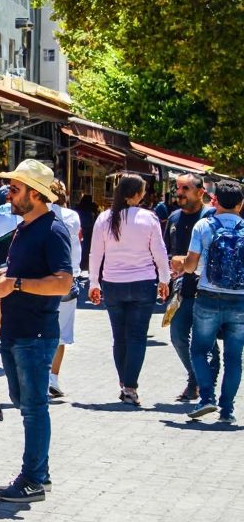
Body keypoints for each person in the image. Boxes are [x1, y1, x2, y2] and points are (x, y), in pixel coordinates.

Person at [0, 159, 74, 504]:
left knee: (34, 408)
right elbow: (22, 272)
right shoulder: (24, 228)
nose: (8, 195)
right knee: (25, 403)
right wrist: (1, 278)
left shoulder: (52, 230)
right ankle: (40, 474)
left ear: (35, 194)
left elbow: (63, 283)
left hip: (35, 332)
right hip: (17, 330)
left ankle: (33, 478)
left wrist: (13, 284)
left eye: (16, 189)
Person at [87, 173, 170, 407]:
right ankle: (130, 387)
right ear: (136, 194)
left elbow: (95, 254)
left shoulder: (105, 218)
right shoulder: (148, 218)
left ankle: (124, 384)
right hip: (143, 283)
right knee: (136, 338)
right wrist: (164, 279)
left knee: (119, 338)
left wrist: (94, 283)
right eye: (143, 191)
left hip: (112, 284)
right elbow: (159, 252)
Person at [177, 179, 244, 424]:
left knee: (199, 350)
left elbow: (192, 265)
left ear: (215, 200)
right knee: (234, 358)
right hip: (240, 301)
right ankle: (227, 411)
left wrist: (182, 264)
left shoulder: (204, 226)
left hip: (207, 297)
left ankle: (206, 398)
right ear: (240, 203)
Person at [165, 173, 219, 402]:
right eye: (178, 188)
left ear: (200, 192)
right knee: (177, 334)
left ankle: (203, 384)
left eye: (185, 188)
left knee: (208, 341)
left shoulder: (211, 218)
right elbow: (167, 250)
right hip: (182, 290)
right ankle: (196, 377)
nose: (179, 192)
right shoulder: (174, 218)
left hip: (208, 290)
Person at [49, 181, 83, 399]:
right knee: (61, 332)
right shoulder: (72, 217)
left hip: (40, 278)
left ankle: (42, 376)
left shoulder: (33, 215)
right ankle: (53, 376)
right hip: (69, 276)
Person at [76, 194, 100, 272]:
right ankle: (86, 265)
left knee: (81, 248)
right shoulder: (91, 209)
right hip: (89, 231)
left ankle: (81, 264)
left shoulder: (78, 208)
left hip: (81, 230)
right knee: (87, 249)